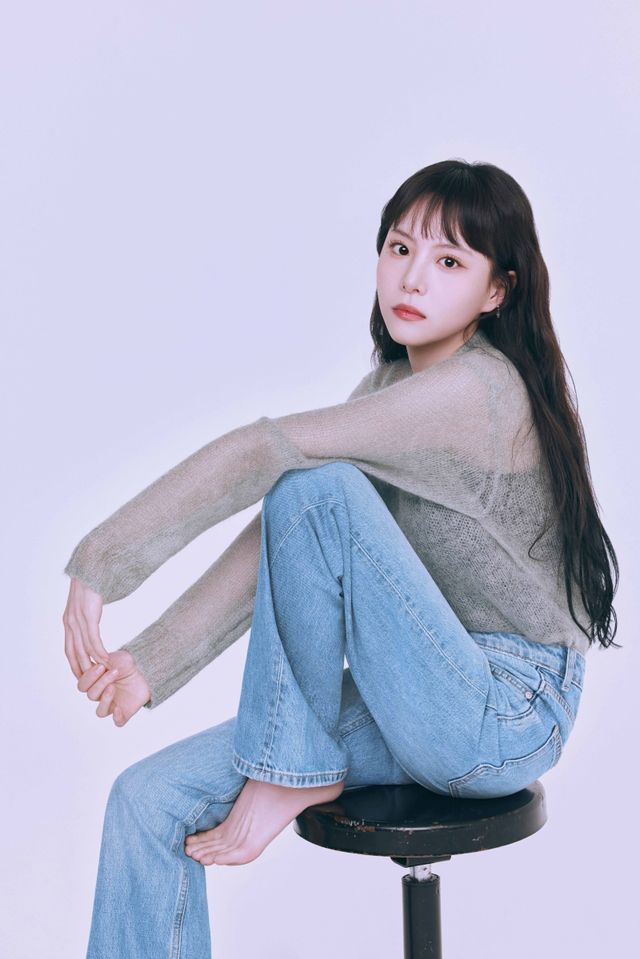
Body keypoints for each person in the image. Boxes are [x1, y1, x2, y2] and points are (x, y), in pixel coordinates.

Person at [62, 158, 620, 958]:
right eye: (399, 248)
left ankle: (294, 765)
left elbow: (272, 455)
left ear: (498, 290)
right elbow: (286, 541)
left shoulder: (479, 393)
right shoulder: (389, 389)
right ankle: (293, 762)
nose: (412, 277)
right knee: (146, 799)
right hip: (419, 690)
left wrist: (101, 563)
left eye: (449, 260)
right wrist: (154, 662)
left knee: (312, 486)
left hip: (506, 711)